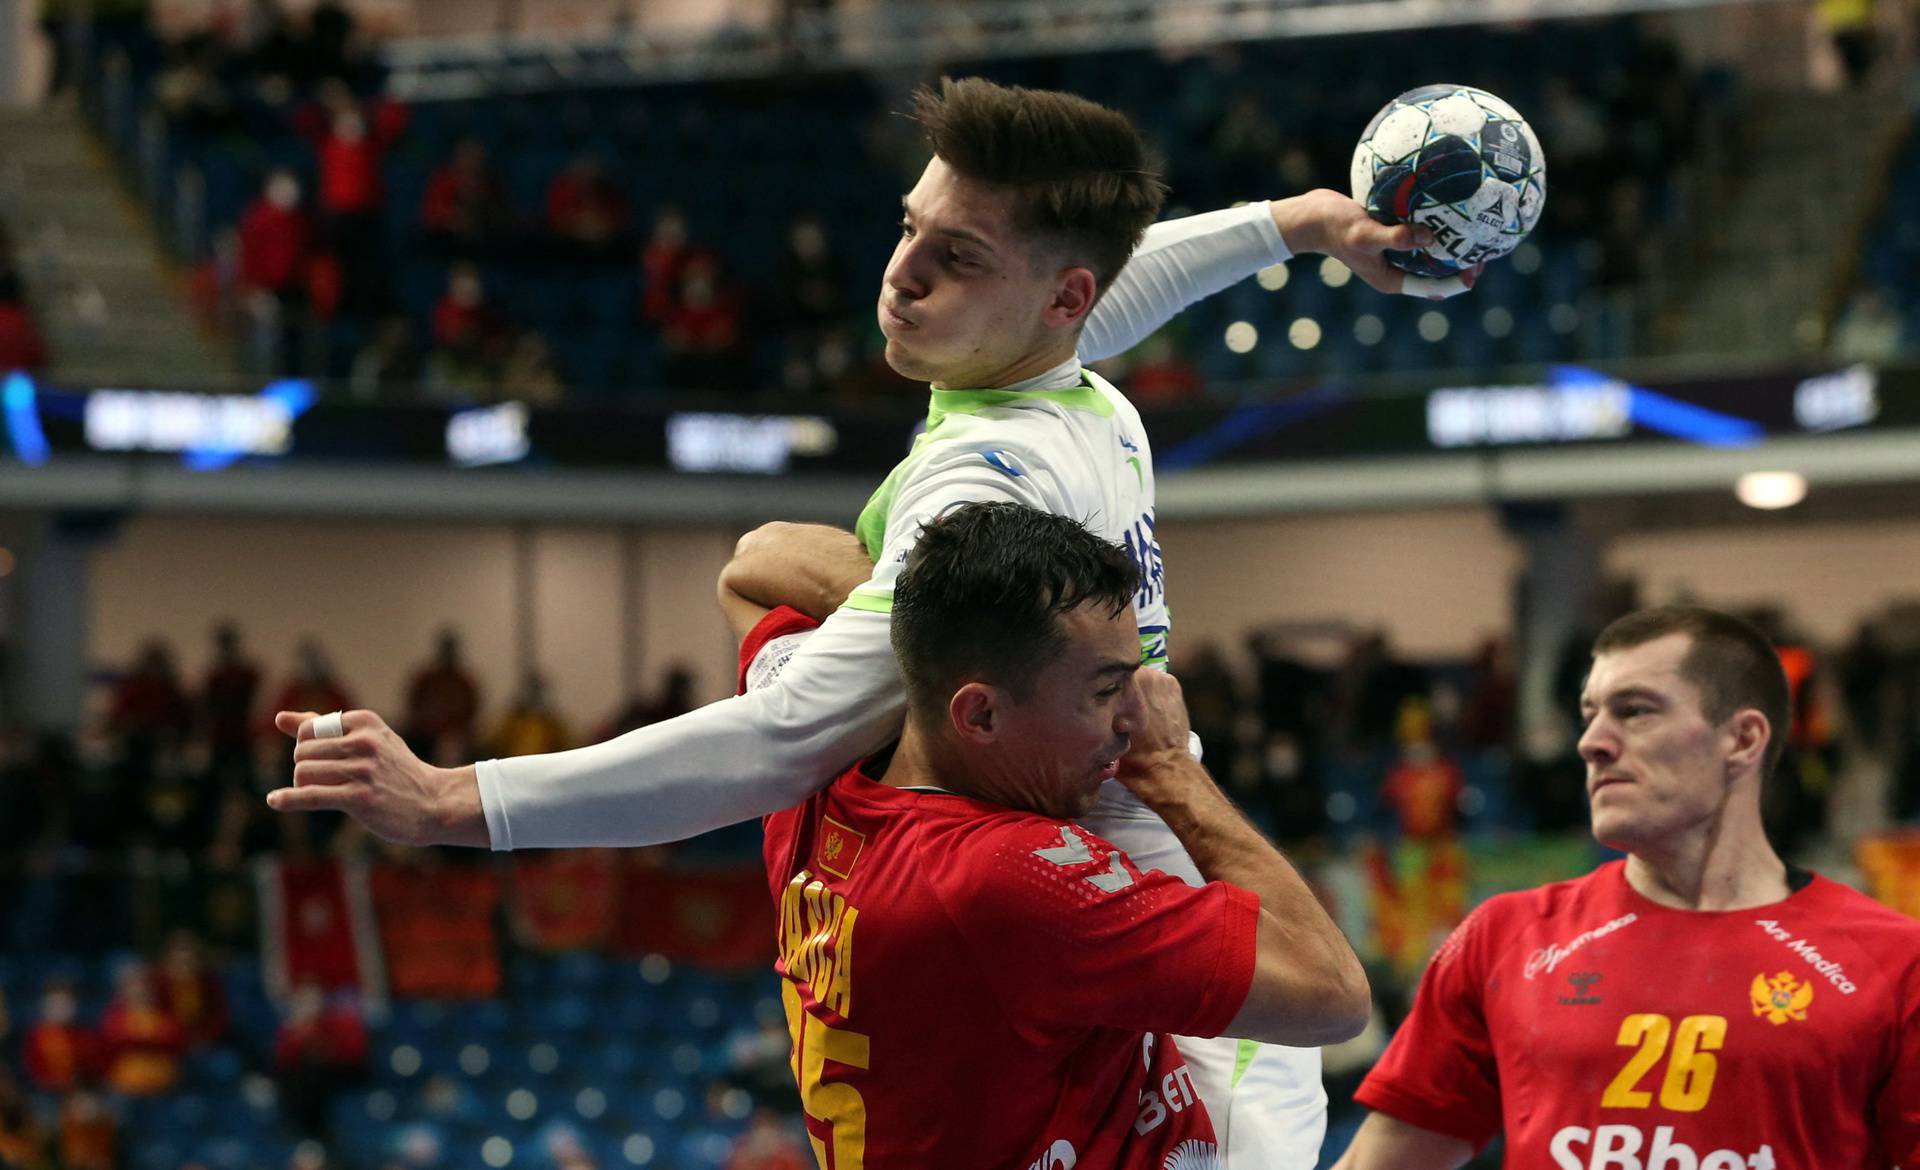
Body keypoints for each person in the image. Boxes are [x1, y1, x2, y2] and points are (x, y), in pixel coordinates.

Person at [268, 76, 1459, 1166]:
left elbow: (773, 737)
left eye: (956, 256)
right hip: (1105, 880)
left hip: (1129, 887)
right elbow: (1098, 294)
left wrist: (453, 801)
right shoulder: (1031, 372)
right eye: (908, 230)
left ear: (1061, 297)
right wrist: (1295, 225)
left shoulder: (984, 476)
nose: (903, 274)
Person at [740, 502, 1366, 1166]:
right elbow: (1334, 994)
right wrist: (1174, 770)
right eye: (1105, 692)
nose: (1137, 715)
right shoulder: (1014, 878)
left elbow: (756, 557)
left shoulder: (810, 775)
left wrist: (938, 617)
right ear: (978, 712)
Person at [1331, 605, 1920, 1169]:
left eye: (1635, 711)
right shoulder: (1507, 938)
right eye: (1590, 715)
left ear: (1741, 740)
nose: (1591, 742)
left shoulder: (1893, 961)